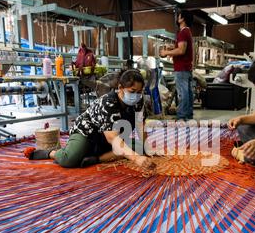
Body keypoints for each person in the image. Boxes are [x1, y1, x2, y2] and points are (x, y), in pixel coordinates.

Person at [24, 69, 156, 173]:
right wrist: (137, 158)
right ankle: (50, 153)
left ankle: (95, 159)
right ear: (120, 87)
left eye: (139, 92)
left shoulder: (138, 102)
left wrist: (145, 150)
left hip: (110, 140)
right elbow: (112, 138)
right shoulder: (109, 102)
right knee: (69, 160)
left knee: (138, 147)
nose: (136, 96)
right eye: (132, 91)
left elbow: (141, 126)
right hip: (88, 133)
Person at [160, 10, 194, 121]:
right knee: (187, 92)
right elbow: (181, 48)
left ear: (182, 18)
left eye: (179, 16)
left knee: (182, 93)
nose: (177, 18)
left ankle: (182, 116)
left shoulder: (183, 32)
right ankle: (188, 115)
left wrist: (166, 53)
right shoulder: (187, 32)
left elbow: (181, 50)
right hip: (186, 67)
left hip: (182, 68)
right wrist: (172, 49)